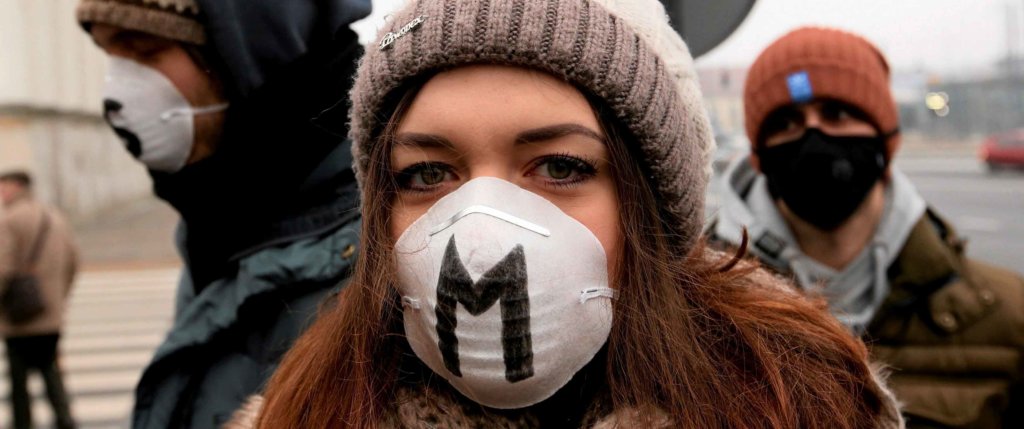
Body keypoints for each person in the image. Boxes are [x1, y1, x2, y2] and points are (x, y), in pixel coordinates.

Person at [229, 1, 902, 427]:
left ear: (649, 208)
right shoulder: (306, 411)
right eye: (428, 174)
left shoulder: (800, 406)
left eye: (560, 167)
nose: (482, 232)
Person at [711, 27, 1024, 428]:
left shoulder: (1005, 317)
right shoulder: (695, 311)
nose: (813, 136)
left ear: (885, 138)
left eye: (837, 114)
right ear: (759, 155)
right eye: (785, 121)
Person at [76, 0, 370, 426]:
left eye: (145, 50)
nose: (115, 92)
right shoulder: (219, 220)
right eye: (111, 56)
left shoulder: (383, 250)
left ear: (253, 50)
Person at [0, 171, 78, 429]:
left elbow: (3, 268)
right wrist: (59, 297)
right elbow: (73, 261)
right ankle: (64, 419)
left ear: (17, 187)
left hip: (19, 315)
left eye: (4, 187)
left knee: (18, 379)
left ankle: (23, 423)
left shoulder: (9, 220)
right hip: (50, 312)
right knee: (51, 371)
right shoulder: (54, 216)